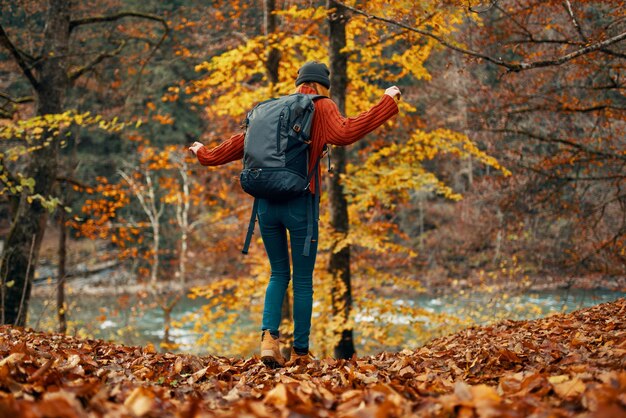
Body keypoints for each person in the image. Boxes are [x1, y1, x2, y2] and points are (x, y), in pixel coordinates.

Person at [189, 61, 400, 367]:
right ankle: (301, 353)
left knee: (278, 274)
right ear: (322, 86)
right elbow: (346, 132)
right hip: (300, 203)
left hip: (264, 204)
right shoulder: (321, 106)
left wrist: (204, 153)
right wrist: (387, 102)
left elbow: (239, 146)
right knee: (302, 280)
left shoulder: (272, 110)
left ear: (299, 83)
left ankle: (269, 341)